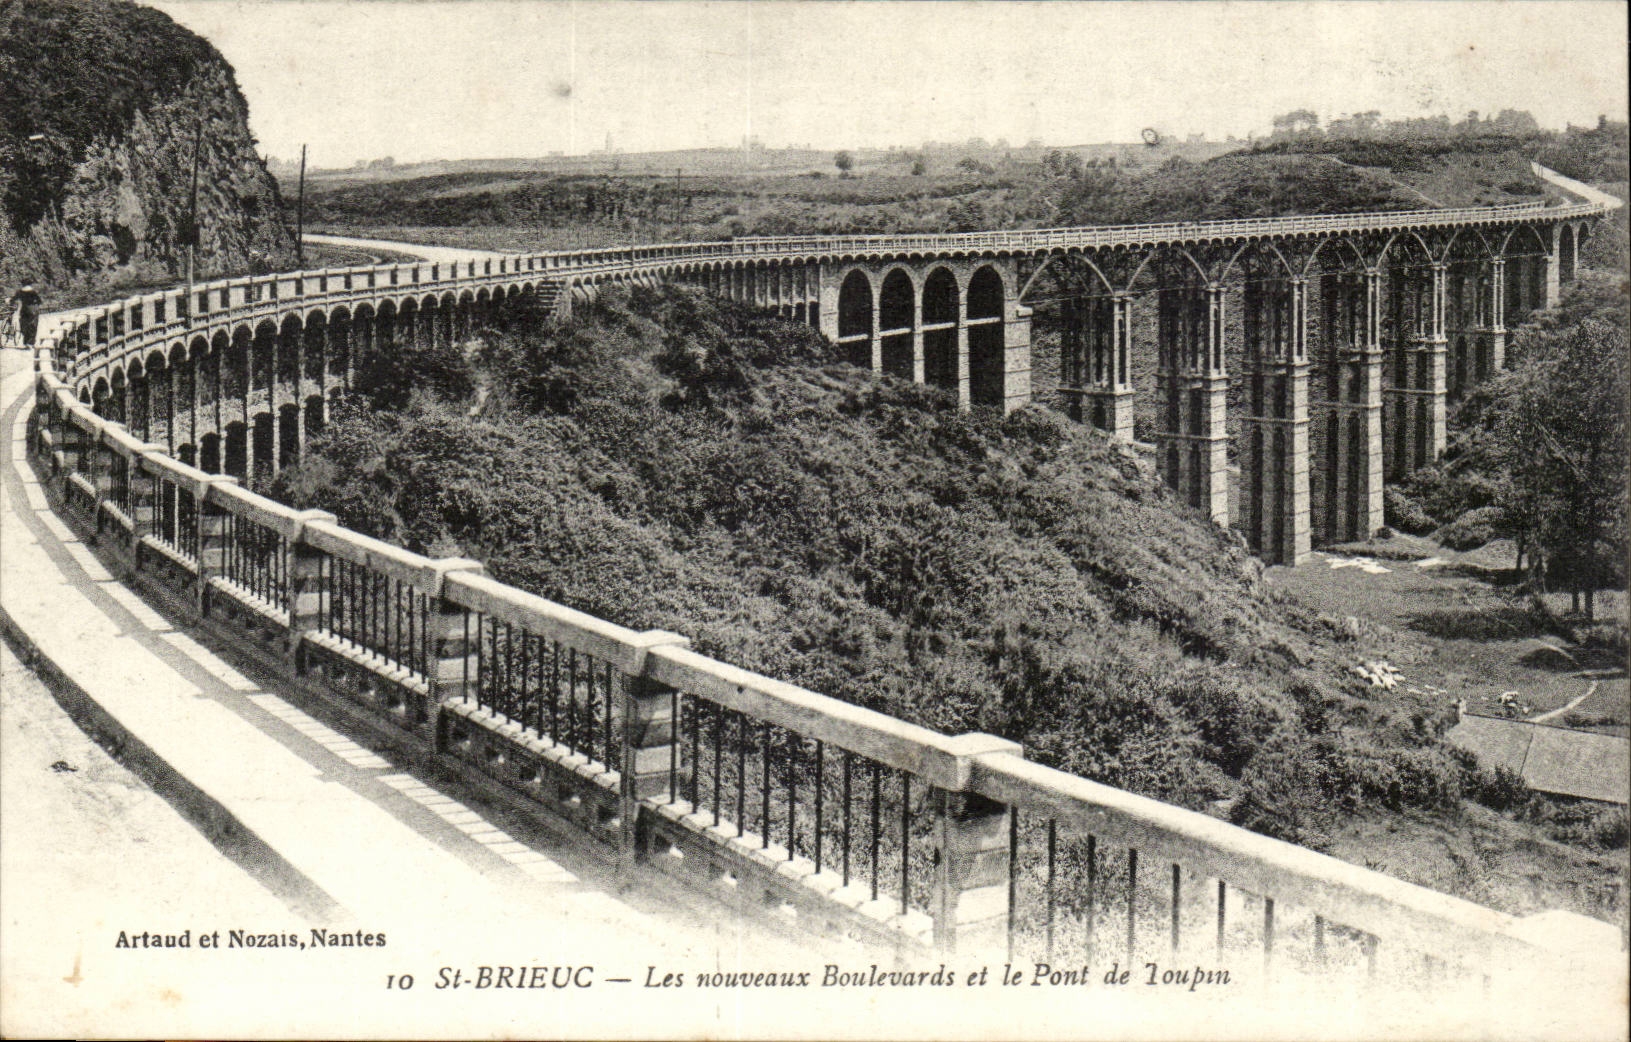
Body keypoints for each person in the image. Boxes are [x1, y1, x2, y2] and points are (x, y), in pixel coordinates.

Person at [8, 281, 42, 348]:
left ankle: (26, 342)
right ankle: (31, 343)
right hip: (33, 310)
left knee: (24, 325)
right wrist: (36, 304)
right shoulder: (33, 292)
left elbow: (14, 299)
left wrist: (10, 301)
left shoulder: (20, 291)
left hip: (24, 310)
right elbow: (39, 301)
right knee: (33, 326)